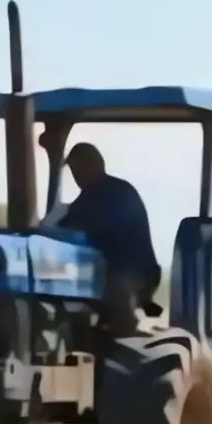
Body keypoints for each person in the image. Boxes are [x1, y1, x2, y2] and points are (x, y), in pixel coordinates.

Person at [52, 142, 161, 331]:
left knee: (115, 287)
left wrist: (67, 226)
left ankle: (125, 332)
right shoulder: (87, 197)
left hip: (135, 271)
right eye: (72, 171)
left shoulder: (119, 193)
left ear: (93, 166)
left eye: (77, 170)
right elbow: (65, 223)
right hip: (100, 269)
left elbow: (93, 223)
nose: (75, 176)